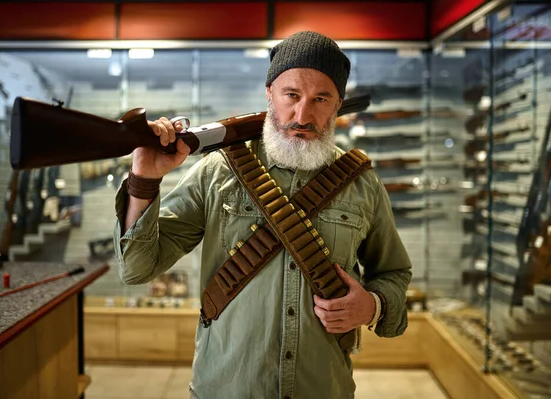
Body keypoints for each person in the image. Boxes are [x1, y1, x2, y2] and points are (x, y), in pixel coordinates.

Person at [113, 30, 413, 399]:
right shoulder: (219, 170)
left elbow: (394, 273)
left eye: (321, 99)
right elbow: (137, 268)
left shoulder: (362, 183)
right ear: (269, 93)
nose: (303, 115)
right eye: (292, 95)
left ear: (338, 105)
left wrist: (373, 306)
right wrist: (143, 180)